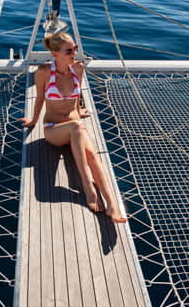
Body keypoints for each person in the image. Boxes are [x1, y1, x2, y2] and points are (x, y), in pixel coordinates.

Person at [21, 32, 127, 223]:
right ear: (55, 54)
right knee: (77, 128)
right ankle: (88, 187)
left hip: (75, 125)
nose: (74, 53)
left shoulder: (77, 69)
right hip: (54, 129)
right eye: (69, 50)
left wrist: (79, 109)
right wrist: (33, 121)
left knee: (93, 156)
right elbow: (39, 99)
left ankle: (112, 205)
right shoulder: (44, 71)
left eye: (75, 49)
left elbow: (77, 96)